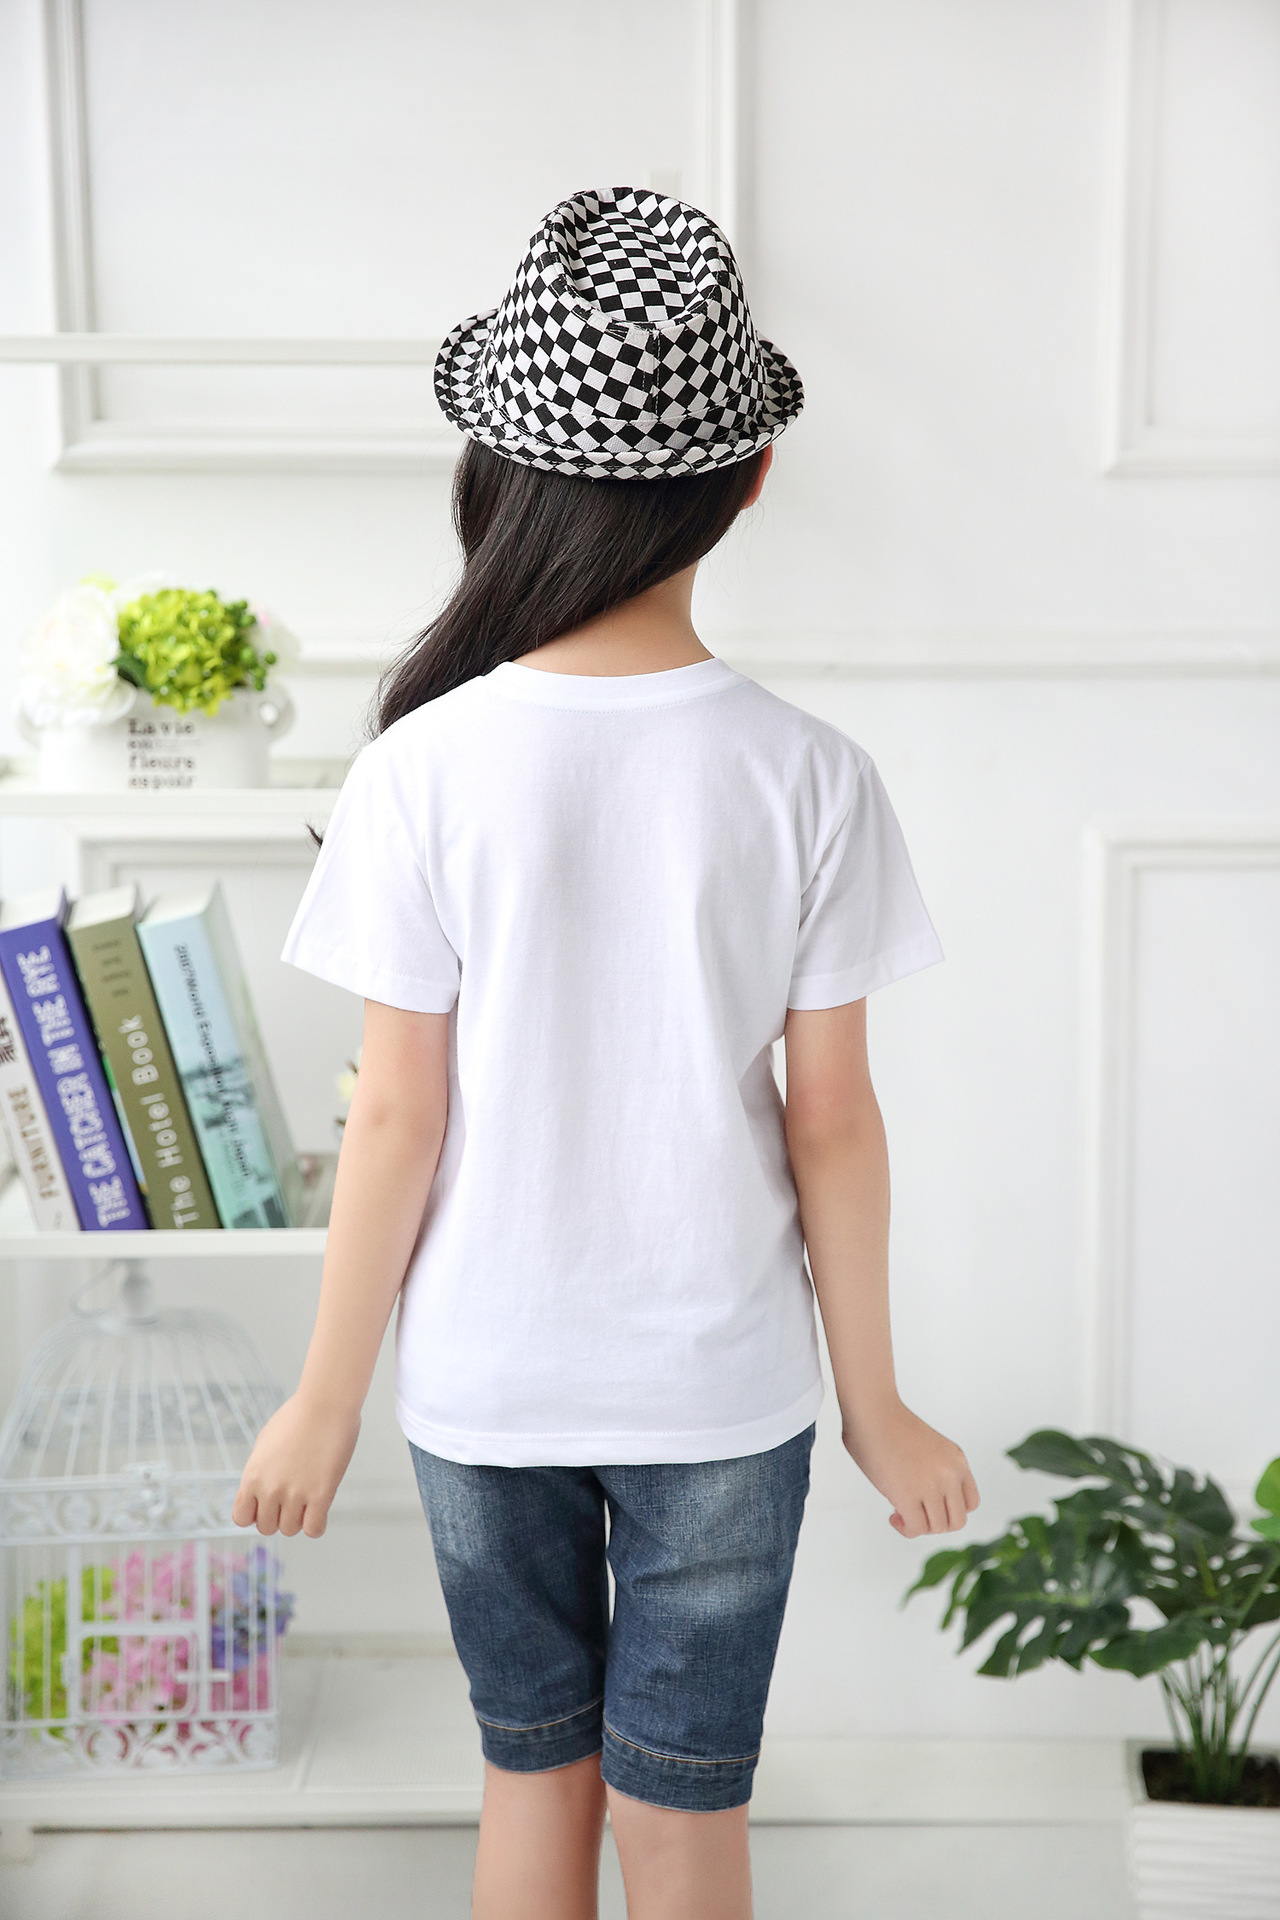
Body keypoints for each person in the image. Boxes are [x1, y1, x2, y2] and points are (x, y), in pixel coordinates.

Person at [233, 186, 980, 1920]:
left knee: (532, 1783)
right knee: (686, 1815)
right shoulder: (810, 775)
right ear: (752, 476)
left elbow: (396, 1119)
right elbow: (835, 1126)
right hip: (723, 1390)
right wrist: (872, 1404)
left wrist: (324, 1399)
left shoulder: (418, 770)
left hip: (482, 1386)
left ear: (494, 470)